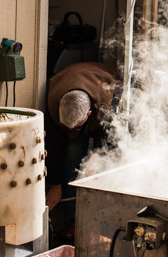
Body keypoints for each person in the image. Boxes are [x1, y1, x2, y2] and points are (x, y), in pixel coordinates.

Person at [44, 62, 120, 244]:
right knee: (71, 151)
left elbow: (111, 132)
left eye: (77, 126)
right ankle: (73, 217)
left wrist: (98, 154)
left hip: (104, 80)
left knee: (102, 159)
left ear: (89, 113)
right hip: (72, 82)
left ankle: (100, 217)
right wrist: (56, 185)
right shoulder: (54, 101)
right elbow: (54, 145)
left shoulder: (108, 101)